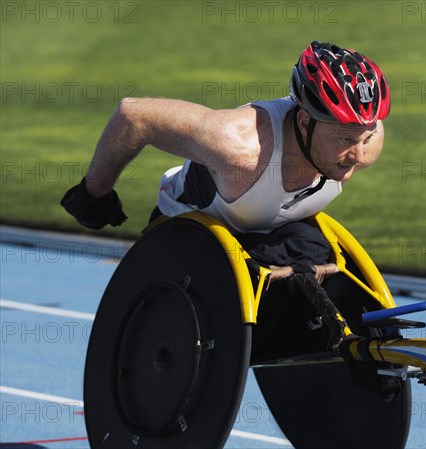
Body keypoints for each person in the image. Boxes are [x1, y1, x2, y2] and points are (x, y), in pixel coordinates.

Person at [61, 40, 391, 357]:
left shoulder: (365, 139)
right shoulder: (241, 147)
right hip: (190, 241)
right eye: (346, 138)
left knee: (318, 259)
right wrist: (94, 193)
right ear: (305, 122)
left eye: (367, 135)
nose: (359, 153)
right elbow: (134, 116)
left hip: (271, 233)